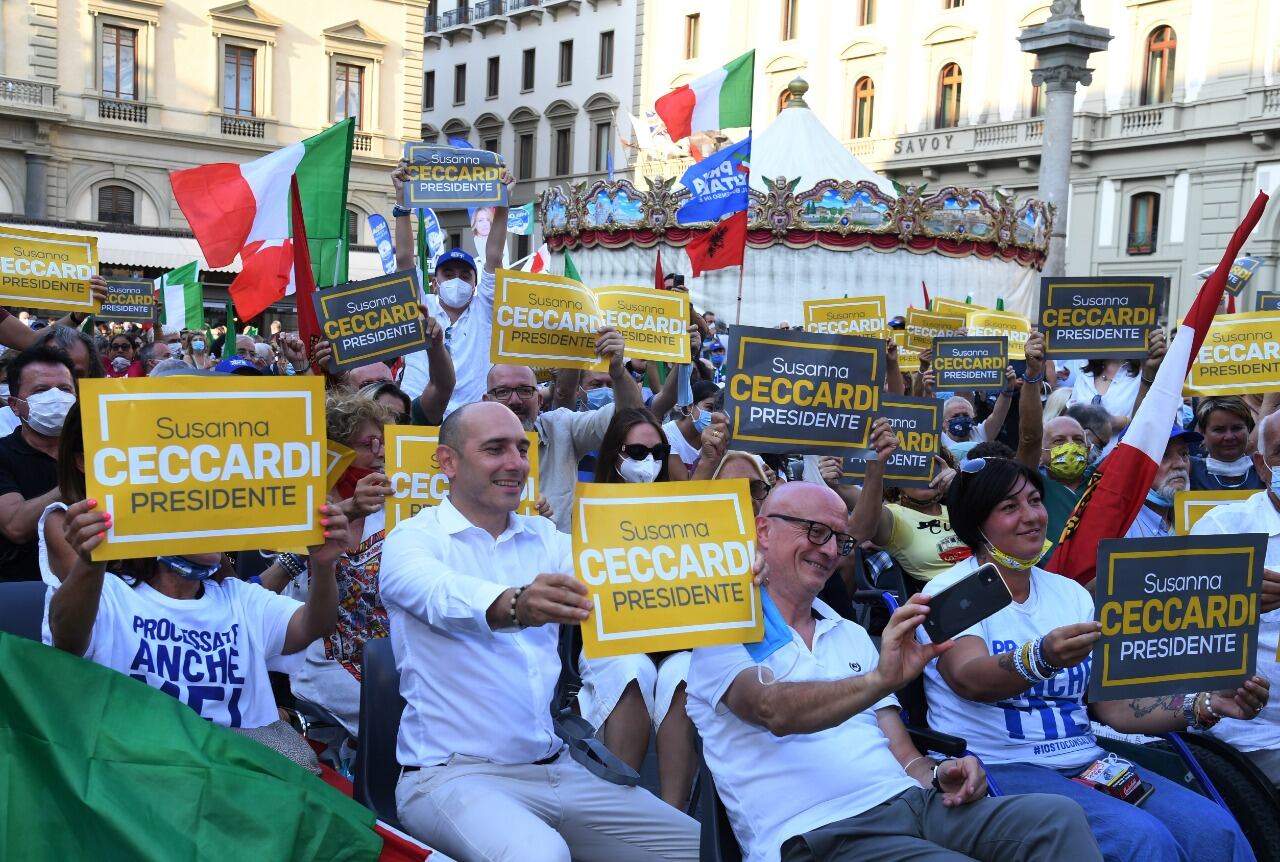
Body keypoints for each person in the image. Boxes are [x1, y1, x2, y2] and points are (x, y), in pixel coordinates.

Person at [686, 479, 1102, 862]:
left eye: (841, 540)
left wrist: (940, 772)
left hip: (911, 804)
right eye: (815, 531)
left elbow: (905, 756)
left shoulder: (849, 633)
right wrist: (879, 680)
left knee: (1058, 818)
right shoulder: (723, 630)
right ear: (763, 530)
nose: (830, 551)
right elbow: (772, 710)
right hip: (820, 832)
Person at [379, 401, 698, 860]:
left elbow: (631, 571)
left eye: (522, 449)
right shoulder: (411, 539)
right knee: (541, 856)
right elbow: (440, 595)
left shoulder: (545, 538)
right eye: (495, 449)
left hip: (557, 769)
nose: (515, 463)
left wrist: (730, 567)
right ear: (448, 461)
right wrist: (516, 604)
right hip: (450, 776)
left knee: (700, 848)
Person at [920, 455, 1265, 862]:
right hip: (997, 766)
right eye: (1009, 507)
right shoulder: (948, 591)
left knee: (1215, 831)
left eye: (1035, 500)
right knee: (1142, 841)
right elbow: (969, 678)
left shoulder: (1070, 594)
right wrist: (1042, 656)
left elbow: (1115, 707)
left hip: (1087, 761)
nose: (1032, 516)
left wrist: (1205, 704)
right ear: (976, 523)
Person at [48, 488, 349, 773]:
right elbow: (66, 638)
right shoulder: (109, 595)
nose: (214, 526)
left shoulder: (239, 598)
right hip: (140, 776)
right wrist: (90, 563)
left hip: (242, 779)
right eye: (198, 513)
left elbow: (314, 625)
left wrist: (324, 567)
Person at [575, 407, 694, 807]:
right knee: (632, 671)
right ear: (615, 453)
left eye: (659, 452)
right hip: (613, 639)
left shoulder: (686, 511)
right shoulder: (585, 512)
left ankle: (674, 818)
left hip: (677, 640)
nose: (650, 461)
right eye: (638, 452)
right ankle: (619, 812)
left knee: (684, 676)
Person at [266, 392, 398, 736]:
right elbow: (265, 586)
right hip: (321, 661)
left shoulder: (397, 506)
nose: (382, 452)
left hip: (396, 655)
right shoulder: (296, 505)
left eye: (384, 442)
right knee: (394, 711)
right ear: (335, 450)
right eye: (369, 443)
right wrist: (345, 512)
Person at [481, 327, 643, 532]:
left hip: (561, 551)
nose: (515, 400)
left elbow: (631, 417)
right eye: (503, 391)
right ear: (486, 400)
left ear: (540, 400)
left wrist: (618, 371)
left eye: (524, 390)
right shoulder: (468, 445)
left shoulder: (563, 427)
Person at [1192, 410, 1280, 785]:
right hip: (1253, 736)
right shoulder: (1222, 529)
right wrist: (1233, 604)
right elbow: (1177, 625)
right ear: (1261, 465)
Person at [395, 167, 515, 417]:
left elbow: (494, 255)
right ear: (435, 282)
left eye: (464, 275)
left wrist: (503, 203)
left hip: (473, 417)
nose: (457, 280)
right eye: (448, 274)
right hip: (419, 413)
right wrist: (402, 201)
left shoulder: (485, 309)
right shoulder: (420, 306)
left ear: (475, 284)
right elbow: (404, 259)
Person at [0, 345, 76, 582]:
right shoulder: (3, 454)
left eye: (65, 389)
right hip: (26, 586)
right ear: (14, 405)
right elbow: (15, 526)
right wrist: (75, 482)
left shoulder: (100, 449)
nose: (56, 398)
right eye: (41, 390)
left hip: (105, 584)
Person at [1123, 425, 1200, 539]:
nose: (1180, 464)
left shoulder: (1199, 522)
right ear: (1135, 465)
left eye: (1184, 454)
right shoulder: (1120, 529)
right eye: (1163, 455)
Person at [1191, 396, 1263, 491]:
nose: (1229, 437)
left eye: (1236, 428)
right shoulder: (1190, 471)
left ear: (1248, 429)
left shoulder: (1266, 467)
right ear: (1203, 432)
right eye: (1219, 430)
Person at [662, 380, 719, 474]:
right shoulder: (666, 435)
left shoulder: (715, 439)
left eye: (717, 410)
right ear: (690, 406)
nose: (714, 415)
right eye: (709, 407)